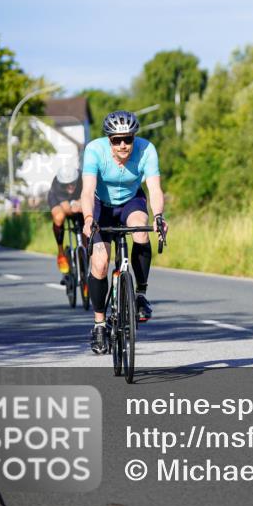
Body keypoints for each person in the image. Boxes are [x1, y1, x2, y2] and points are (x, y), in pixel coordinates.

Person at [81, 111, 168, 354]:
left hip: (131, 201)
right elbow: (87, 191)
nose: (122, 145)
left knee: (141, 233)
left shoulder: (147, 149)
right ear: (108, 139)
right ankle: (99, 324)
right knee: (99, 263)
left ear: (133, 138)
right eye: (116, 140)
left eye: (127, 139)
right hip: (100, 206)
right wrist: (88, 219)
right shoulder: (94, 150)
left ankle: (140, 295)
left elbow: (154, 188)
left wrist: (159, 216)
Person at [48, 163, 84, 276]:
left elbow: (88, 196)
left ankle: (85, 253)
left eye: (73, 183)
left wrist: (81, 204)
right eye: (66, 184)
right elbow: (67, 209)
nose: (70, 187)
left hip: (77, 199)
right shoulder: (57, 184)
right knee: (59, 217)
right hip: (59, 201)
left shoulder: (83, 177)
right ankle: (60, 251)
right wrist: (78, 206)